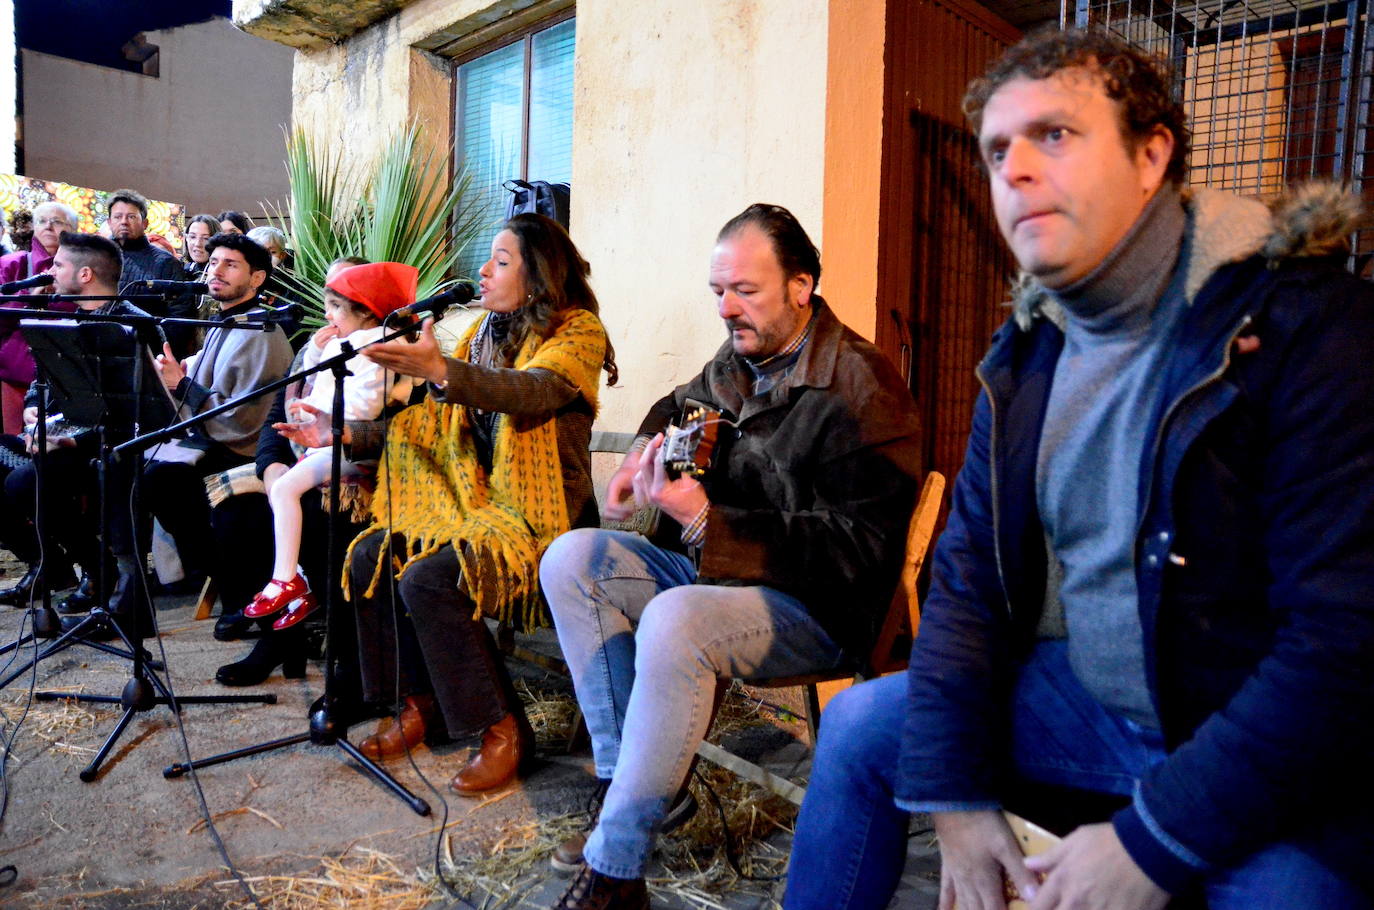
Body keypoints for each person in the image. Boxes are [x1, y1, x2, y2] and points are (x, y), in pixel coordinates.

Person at [783, 27, 1374, 910]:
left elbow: (1343, 644)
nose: (1013, 169)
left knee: (1293, 892)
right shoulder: (1025, 359)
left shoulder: (1306, 329)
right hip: (1099, 706)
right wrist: (953, 789)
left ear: (1151, 155)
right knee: (866, 727)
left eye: (1054, 135)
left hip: (1265, 733)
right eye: (995, 151)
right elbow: (968, 586)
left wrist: (1150, 841)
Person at [538, 203, 921, 909]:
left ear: (801, 286)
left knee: (676, 621)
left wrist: (710, 520)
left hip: (816, 602)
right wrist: (644, 456)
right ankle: (635, 792)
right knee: (573, 558)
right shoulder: (741, 357)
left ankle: (616, 869)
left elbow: (861, 550)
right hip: (720, 571)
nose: (727, 308)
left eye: (744, 289)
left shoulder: (862, 387)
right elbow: (678, 403)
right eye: (718, 291)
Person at [322, 213, 614, 795]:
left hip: (543, 527)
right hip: (469, 511)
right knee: (369, 556)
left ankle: (503, 730)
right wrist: (349, 436)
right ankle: (419, 705)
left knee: (430, 579)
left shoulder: (576, 333)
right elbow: (428, 426)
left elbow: (530, 391)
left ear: (539, 278)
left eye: (501, 261)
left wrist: (440, 370)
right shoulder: (479, 334)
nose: (483, 270)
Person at [0, 233, 166, 634]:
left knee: (28, 481)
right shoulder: (68, 317)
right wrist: (34, 414)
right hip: (69, 439)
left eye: (58, 264)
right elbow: (43, 383)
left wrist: (70, 439)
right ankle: (77, 569)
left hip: (124, 448)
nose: (49, 271)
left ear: (85, 273)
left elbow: (141, 413)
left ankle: (115, 586)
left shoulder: (135, 326)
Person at [240, 261, 416, 632]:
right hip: (322, 441)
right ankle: (299, 582)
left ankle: (287, 578)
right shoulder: (346, 341)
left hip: (351, 449)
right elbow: (320, 385)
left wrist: (321, 419)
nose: (327, 314)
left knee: (287, 489)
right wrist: (315, 356)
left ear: (366, 310)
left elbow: (365, 406)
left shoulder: (379, 348)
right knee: (277, 494)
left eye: (336, 306)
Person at [145, 232, 293, 596]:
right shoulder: (225, 320)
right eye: (213, 263)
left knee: (162, 479)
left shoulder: (261, 330)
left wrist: (181, 385)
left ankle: (231, 585)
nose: (217, 271)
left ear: (257, 278)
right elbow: (199, 380)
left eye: (231, 264)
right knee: (129, 461)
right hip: (213, 438)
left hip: (245, 449)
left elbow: (241, 419)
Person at [0, 201, 79, 435]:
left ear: (73, 230)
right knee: (13, 446)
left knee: (50, 447)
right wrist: (28, 300)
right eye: (42, 221)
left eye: (56, 222)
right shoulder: (12, 264)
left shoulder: (82, 270)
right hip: (15, 374)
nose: (48, 226)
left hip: (61, 378)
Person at [107, 189, 197, 358]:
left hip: (146, 356)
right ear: (109, 222)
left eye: (131, 217)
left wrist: (158, 355)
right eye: (118, 217)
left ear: (145, 223)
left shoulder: (166, 262)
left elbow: (179, 318)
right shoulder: (96, 258)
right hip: (99, 352)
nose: (124, 222)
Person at [182, 213, 219, 280]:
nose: (197, 244)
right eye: (192, 237)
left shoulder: (220, 276)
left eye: (205, 238)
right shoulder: (180, 269)